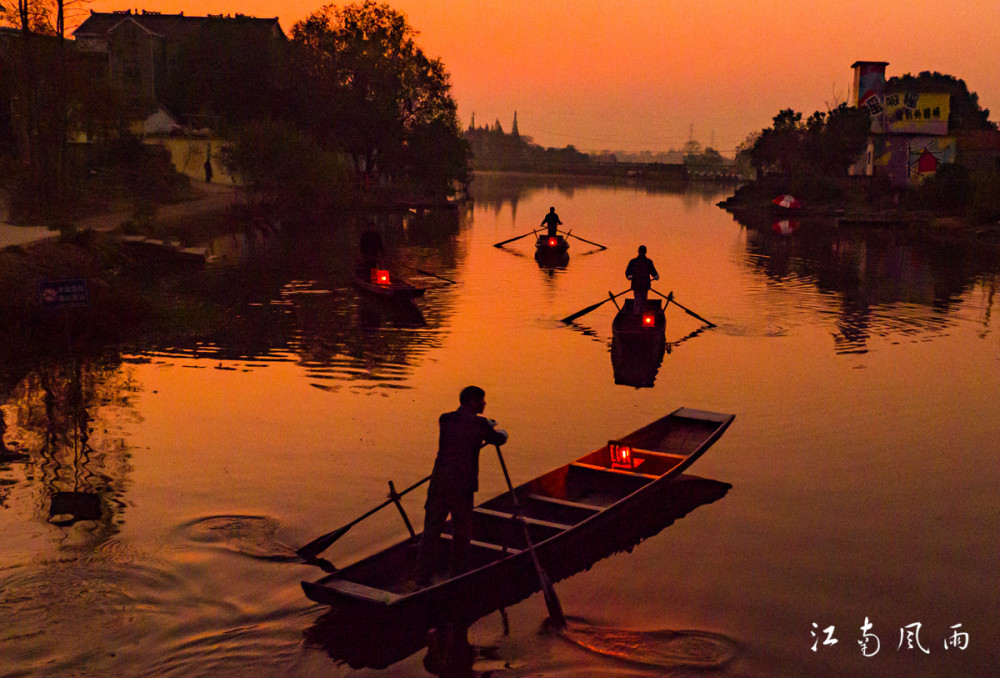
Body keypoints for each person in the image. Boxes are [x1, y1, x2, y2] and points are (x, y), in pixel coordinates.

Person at [415, 386, 508, 586]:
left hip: (439, 483)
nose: (484, 403)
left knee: (431, 529)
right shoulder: (480, 424)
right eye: (482, 400)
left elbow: (468, 426)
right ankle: (458, 574)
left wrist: (486, 425)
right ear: (473, 402)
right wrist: (500, 431)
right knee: (462, 531)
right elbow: (498, 439)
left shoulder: (445, 419)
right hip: (462, 486)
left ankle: (423, 576)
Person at [625, 245, 659, 313]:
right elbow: (628, 272)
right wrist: (629, 276)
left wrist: (656, 276)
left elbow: (653, 271)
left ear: (645, 252)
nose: (642, 253)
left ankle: (641, 315)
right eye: (641, 252)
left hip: (645, 286)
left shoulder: (648, 262)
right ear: (638, 252)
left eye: (643, 252)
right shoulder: (633, 262)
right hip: (636, 285)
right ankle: (636, 315)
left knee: (643, 301)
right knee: (637, 301)